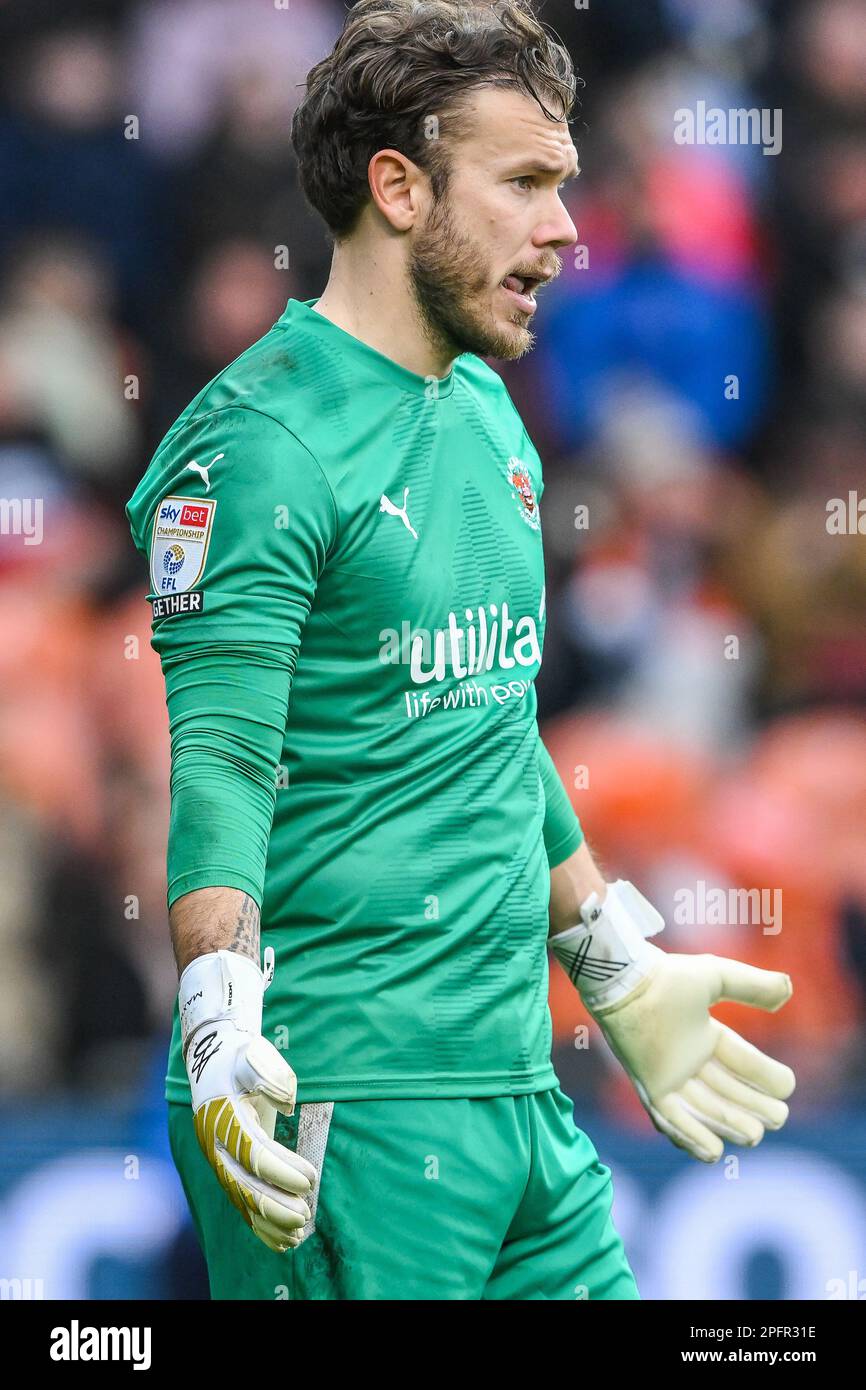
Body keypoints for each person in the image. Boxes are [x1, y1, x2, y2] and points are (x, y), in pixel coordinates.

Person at [126, 0, 795, 1301]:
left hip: (519, 1099)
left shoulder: (490, 406)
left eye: (566, 186)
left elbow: (489, 726)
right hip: (339, 1105)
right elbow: (216, 772)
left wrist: (607, 957)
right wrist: (217, 1020)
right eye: (526, 185)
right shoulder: (253, 446)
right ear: (397, 187)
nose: (564, 230)